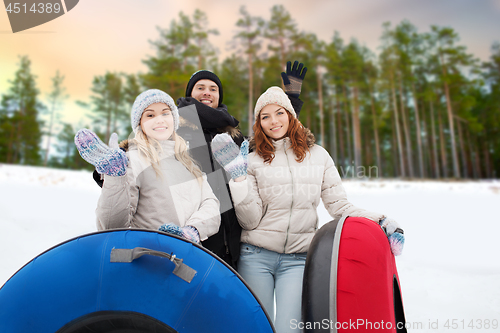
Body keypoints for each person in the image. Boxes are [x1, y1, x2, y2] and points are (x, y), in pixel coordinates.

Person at [211, 86, 405, 332]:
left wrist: (381, 220)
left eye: (279, 112)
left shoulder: (319, 156)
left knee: (289, 329)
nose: (273, 121)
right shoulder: (252, 158)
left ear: (291, 115)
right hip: (256, 256)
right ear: (258, 123)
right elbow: (250, 221)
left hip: (298, 259)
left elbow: (339, 206)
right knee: (255, 327)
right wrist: (238, 180)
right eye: (265, 116)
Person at [90, 62, 307, 270]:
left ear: (219, 95)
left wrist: (289, 104)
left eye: (213, 88)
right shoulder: (176, 130)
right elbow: (143, 147)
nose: (207, 92)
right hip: (191, 236)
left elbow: (270, 138)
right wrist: (111, 169)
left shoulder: (232, 133)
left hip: (232, 236)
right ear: (189, 93)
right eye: (200, 87)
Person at [75, 89, 221, 243]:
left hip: (189, 258)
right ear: (140, 124)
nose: (160, 120)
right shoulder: (133, 160)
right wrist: (115, 177)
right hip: (147, 256)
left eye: (165, 113)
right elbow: (112, 226)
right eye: (150, 115)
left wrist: (192, 231)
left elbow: (210, 204)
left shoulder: (188, 162)